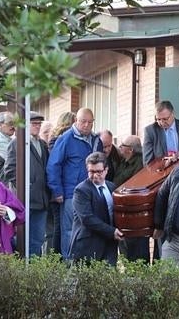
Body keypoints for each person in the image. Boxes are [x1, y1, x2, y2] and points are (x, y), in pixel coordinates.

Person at [46, 108, 103, 259]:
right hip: (72, 193)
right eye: (83, 121)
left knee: (91, 230)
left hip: (94, 192)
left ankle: (88, 266)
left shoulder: (96, 140)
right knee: (70, 231)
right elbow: (53, 165)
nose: (86, 125)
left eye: (90, 122)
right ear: (76, 121)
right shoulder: (65, 139)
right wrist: (57, 191)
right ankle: (69, 266)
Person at [4, 111, 51, 257]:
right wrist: (26, 188)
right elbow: (10, 170)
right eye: (34, 124)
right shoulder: (16, 143)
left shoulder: (42, 144)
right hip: (25, 201)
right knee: (22, 239)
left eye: (39, 124)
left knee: (37, 240)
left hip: (41, 201)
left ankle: (34, 272)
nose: (37, 126)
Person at [69, 152, 124, 265]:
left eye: (98, 171)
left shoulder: (112, 187)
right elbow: (87, 218)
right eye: (91, 172)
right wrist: (112, 231)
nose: (95, 175)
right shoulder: (81, 190)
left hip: (109, 246)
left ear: (106, 170)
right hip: (88, 246)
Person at [113, 135, 150, 262]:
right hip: (122, 209)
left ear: (131, 150)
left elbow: (135, 185)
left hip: (133, 211)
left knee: (136, 250)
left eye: (122, 145)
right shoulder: (124, 161)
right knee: (124, 248)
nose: (120, 148)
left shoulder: (139, 163)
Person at [45, 111, 75, 255]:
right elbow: (55, 165)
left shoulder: (53, 138)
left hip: (60, 189)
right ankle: (56, 258)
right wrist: (57, 190)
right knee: (60, 226)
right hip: (61, 190)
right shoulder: (61, 139)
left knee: (60, 226)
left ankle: (57, 257)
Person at [143, 101, 179, 165]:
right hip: (162, 171)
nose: (161, 123)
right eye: (158, 119)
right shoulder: (150, 131)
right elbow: (148, 162)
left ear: (173, 114)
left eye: (165, 119)